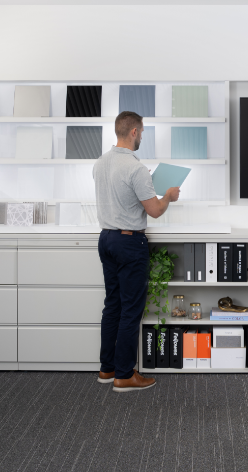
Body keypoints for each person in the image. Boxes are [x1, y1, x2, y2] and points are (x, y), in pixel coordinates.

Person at [93, 111, 180, 392]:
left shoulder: (101, 162)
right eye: (141, 131)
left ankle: (107, 369)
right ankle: (125, 375)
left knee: (113, 307)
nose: (142, 136)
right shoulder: (136, 168)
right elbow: (154, 211)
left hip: (106, 239)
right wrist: (168, 196)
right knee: (131, 310)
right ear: (133, 132)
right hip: (129, 243)